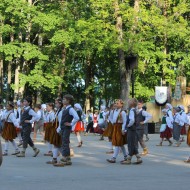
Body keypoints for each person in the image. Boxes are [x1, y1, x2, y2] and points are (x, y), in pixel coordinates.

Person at [54, 94, 79, 167]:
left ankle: (64, 159)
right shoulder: (65, 109)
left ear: (68, 101)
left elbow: (77, 117)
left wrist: (71, 123)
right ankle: (67, 159)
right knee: (64, 142)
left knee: (65, 143)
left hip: (66, 128)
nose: (63, 101)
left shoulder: (70, 109)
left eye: (64, 99)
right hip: (63, 128)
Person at [121, 98, 142, 165]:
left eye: (129, 101)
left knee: (130, 144)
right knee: (133, 143)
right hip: (134, 129)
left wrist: (128, 126)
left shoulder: (132, 111)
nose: (128, 102)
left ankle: (129, 159)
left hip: (131, 129)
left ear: (132, 103)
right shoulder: (134, 110)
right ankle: (138, 157)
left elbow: (132, 120)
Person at [106, 99, 127, 163]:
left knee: (118, 143)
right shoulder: (114, 111)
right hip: (115, 127)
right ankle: (126, 157)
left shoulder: (123, 112)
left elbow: (125, 121)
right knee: (120, 144)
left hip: (120, 128)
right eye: (115, 103)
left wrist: (123, 129)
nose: (116, 104)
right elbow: (110, 117)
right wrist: (113, 123)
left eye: (117, 103)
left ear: (121, 104)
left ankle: (114, 158)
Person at [46, 98, 63, 164]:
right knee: (56, 144)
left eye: (56, 103)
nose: (55, 104)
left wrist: (59, 129)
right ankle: (54, 158)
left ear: (60, 103)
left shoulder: (61, 111)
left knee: (59, 144)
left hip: (58, 128)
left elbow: (60, 121)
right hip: (56, 128)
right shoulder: (58, 111)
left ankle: (65, 158)